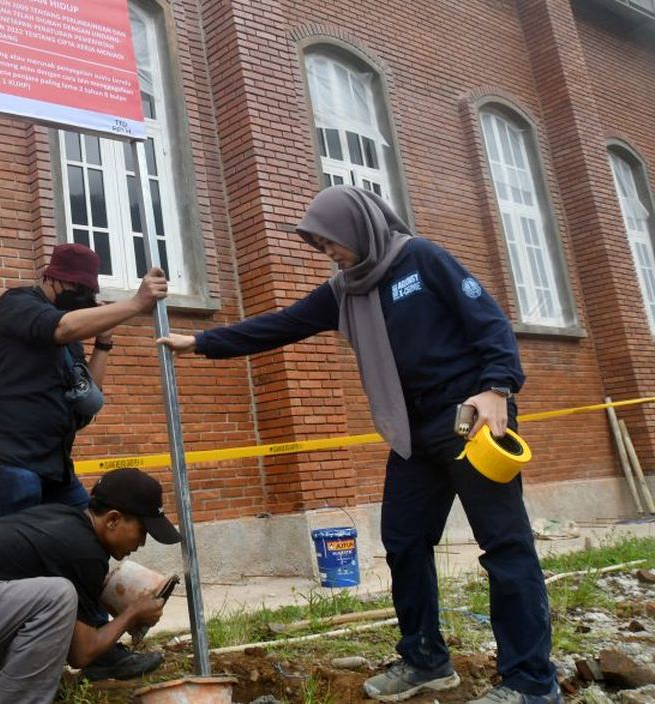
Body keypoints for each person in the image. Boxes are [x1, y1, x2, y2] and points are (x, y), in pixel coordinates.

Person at [158, 186, 560, 704]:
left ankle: (531, 683)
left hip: (470, 417)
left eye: (331, 243)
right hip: (411, 432)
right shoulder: (344, 291)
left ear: (358, 228)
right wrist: (203, 342)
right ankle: (425, 659)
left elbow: (490, 323)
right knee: (402, 540)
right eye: (320, 247)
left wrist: (498, 386)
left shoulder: (422, 258)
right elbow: (282, 325)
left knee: (504, 546)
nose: (329, 254)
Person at [0, 242, 169, 680]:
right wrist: (134, 304)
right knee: (20, 565)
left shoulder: (71, 341)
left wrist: (104, 343)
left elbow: (87, 399)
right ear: (52, 277)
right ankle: (15, 673)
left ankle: (96, 650)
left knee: (86, 544)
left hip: (52, 460)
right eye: (78, 288)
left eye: (89, 292)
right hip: (6, 454)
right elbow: (62, 327)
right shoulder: (19, 304)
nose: (83, 297)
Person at [0, 467, 181, 704]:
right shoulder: (82, 551)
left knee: (38, 596)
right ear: (113, 520)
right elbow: (81, 653)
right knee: (56, 596)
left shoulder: (68, 521)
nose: (141, 543)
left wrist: (116, 596)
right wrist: (132, 615)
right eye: (141, 532)